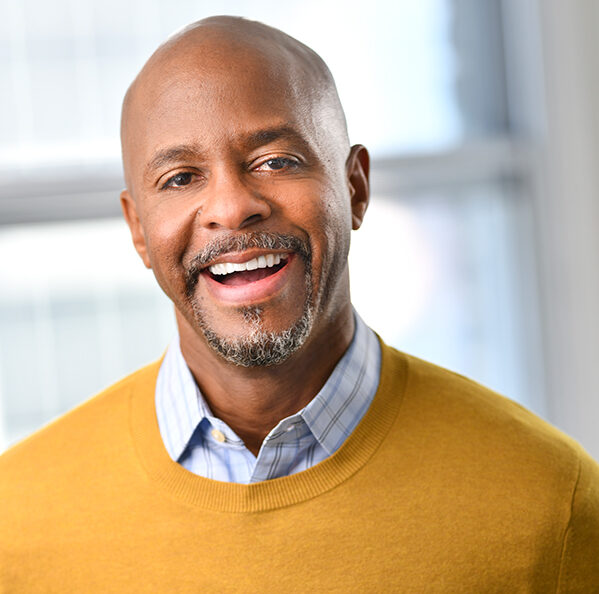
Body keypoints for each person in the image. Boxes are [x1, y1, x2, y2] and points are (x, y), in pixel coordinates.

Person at [1, 15, 598, 592]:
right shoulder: (16, 523)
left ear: (355, 188)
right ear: (138, 230)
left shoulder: (553, 502)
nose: (232, 207)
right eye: (181, 178)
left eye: (276, 161)